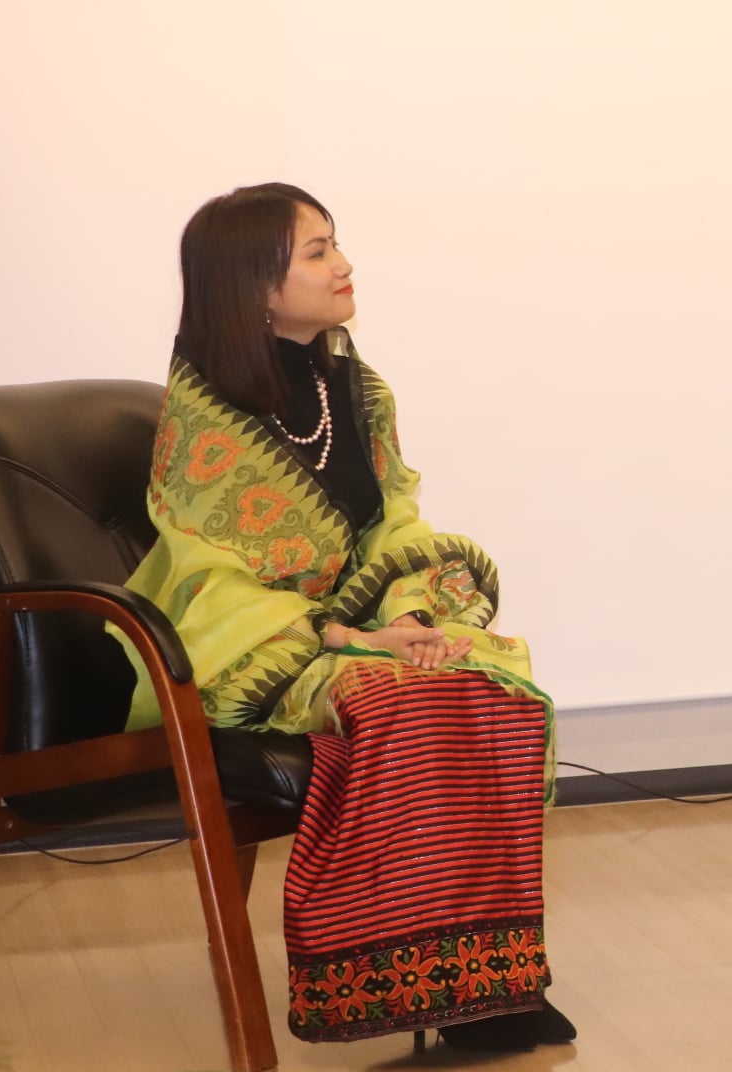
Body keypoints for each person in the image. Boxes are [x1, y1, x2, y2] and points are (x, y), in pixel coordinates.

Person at [113, 184, 576, 1053]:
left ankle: (491, 980)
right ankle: (387, 984)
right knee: (395, 699)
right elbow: (207, 578)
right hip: (248, 647)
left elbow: (394, 521)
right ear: (255, 285)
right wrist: (351, 639)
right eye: (318, 252)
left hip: (362, 628)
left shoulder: (357, 391)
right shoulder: (203, 419)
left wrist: (413, 615)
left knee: (486, 681)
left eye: (336, 244)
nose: (344, 265)